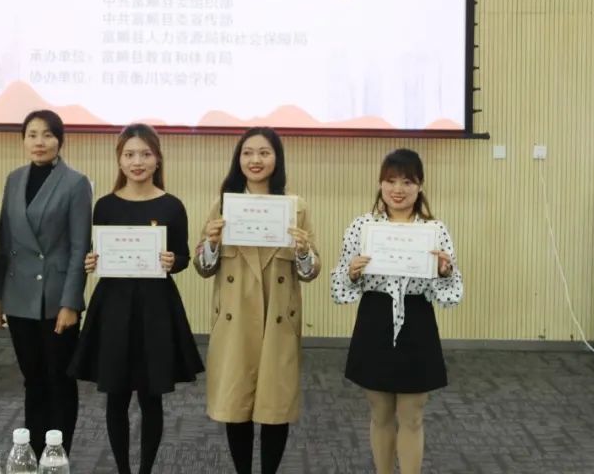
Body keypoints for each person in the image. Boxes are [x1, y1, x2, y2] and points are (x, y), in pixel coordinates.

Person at [71, 123, 204, 474]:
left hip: (156, 308)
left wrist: (173, 260)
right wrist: (91, 261)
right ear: (119, 160)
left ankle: (145, 469)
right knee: (115, 395)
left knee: (151, 395)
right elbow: (97, 252)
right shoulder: (105, 206)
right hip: (113, 306)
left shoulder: (172, 206)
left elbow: (183, 257)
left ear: (157, 159)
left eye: (145, 154)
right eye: (129, 154)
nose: (137, 162)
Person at [194, 127, 319, 474]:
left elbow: (310, 271)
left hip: (278, 321)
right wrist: (211, 243)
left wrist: (304, 251)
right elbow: (203, 267)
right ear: (239, 159)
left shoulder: (296, 207)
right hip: (234, 321)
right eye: (248, 152)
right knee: (236, 406)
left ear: (277, 159)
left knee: (275, 409)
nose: (255, 160)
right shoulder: (223, 204)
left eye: (264, 152)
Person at [330, 148, 463, 474]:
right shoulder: (362, 226)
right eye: (390, 181)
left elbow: (449, 294)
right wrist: (352, 272)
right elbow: (340, 284)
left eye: (407, 181)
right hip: (375, 319)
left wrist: (445, 272)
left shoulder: (434, 230)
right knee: (380, 413)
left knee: (413, 415)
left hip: (417, 322)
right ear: (380, 183)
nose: (398, 189)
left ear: (420, 186)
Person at [0, 109, 91, 456]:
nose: (39, 142)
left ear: (60, 141)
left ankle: (59, 455)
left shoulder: (75, 183)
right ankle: (34, 452)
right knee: (32, 380)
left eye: (47, 135)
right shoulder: (14, 179)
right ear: (23, 140)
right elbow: (6, 241)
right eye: (32, 134)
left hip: (56, 299)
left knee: (59, 380)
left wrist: (71, 302)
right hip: (19, 295)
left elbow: (79, 247)